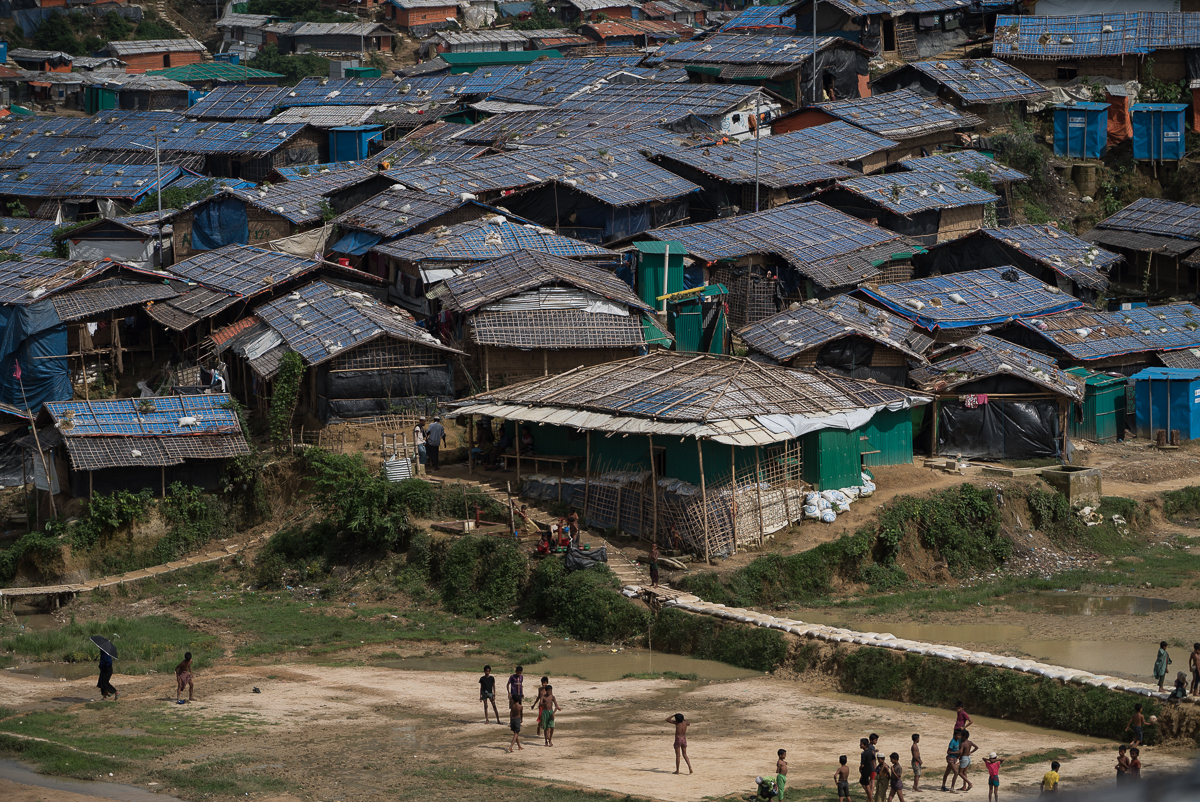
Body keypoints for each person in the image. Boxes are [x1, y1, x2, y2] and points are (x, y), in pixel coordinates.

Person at [956, 728, 978, 792]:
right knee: (964, 773)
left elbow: (961, 751)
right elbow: (976, 747)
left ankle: (969, 783)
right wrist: (970, 752)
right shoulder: (970, 742)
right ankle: (964, 786)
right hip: (968, 758)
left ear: (964, 736)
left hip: (964, 758)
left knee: (960, 773)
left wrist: (959, 757)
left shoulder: (963, 744)